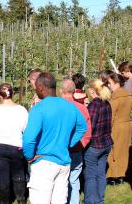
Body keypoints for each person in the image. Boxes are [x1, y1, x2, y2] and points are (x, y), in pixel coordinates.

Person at [23, 73, 87, 204]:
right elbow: (82, 127)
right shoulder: (70, 106)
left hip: (43, 163)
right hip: (63, 163)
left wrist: (29, 157)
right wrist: (69, 143)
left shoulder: (38, 109)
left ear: (40, 87)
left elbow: (28, 139)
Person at [0, 83, 28, 204]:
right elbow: (27, 131)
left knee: (2, 176)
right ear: (13, 94)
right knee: (18, 173)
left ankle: (4, 201)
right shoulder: (21, 110)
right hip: (16, 147)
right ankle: (21, 199)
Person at [60, 78, 92, 204]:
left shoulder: (57, 107)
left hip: (59, 151)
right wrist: (80, 145)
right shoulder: (82, 108)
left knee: (60, 181)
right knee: (74, 179)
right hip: (76, 150)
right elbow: (87, 132)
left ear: (61, 91)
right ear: (74, 91)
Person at [82, 79, 113, 204]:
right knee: (100, 173)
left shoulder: (94, 105)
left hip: (95, 145)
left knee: (90, 175)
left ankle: (89, 201)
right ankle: (99, 200)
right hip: (106, 143)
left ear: (92, 90)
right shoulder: (106, 103)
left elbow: (91, 127)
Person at [106, 71, 132, 185]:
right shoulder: (129, 95)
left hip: (116, 126)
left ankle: (112, 175)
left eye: (110, 83)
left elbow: (111, 115)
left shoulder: (114, 98)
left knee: (113, 151)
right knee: (123, 150)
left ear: (117, 83)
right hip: (127, 125)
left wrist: (108, 128)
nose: (109, 85)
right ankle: (121, 175)